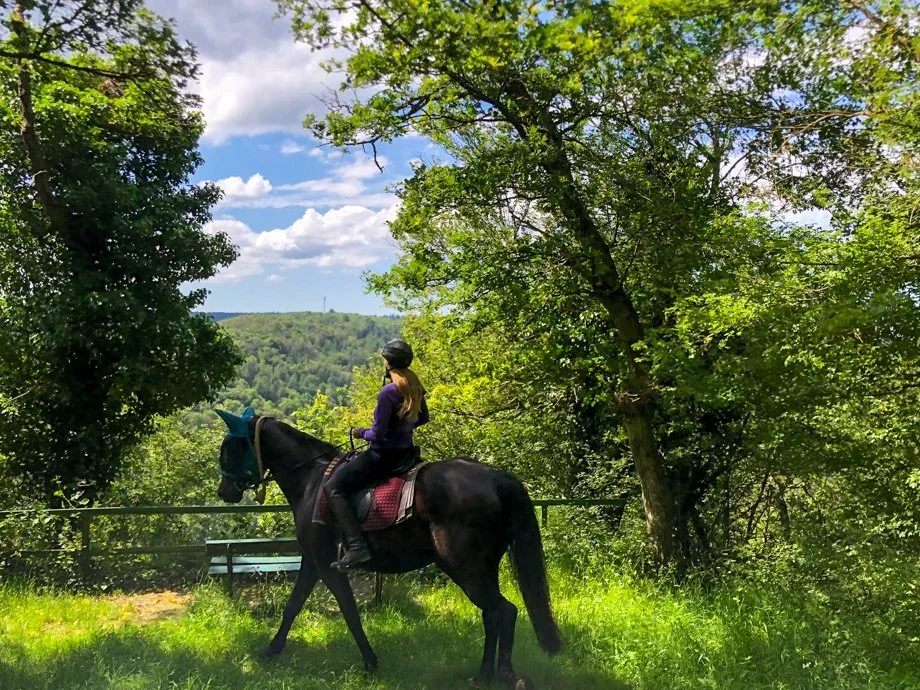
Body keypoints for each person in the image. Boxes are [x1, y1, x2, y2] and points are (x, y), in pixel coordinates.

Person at [323, 339, 429, 570]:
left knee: (333, 487)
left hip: (382, 457)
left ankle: (357, 547)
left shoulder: (388, 392)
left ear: (388, 362)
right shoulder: (415, 386)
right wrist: (403, 428)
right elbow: (423, 418)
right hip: (407, 454)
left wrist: (360, 432)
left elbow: (378, 434)